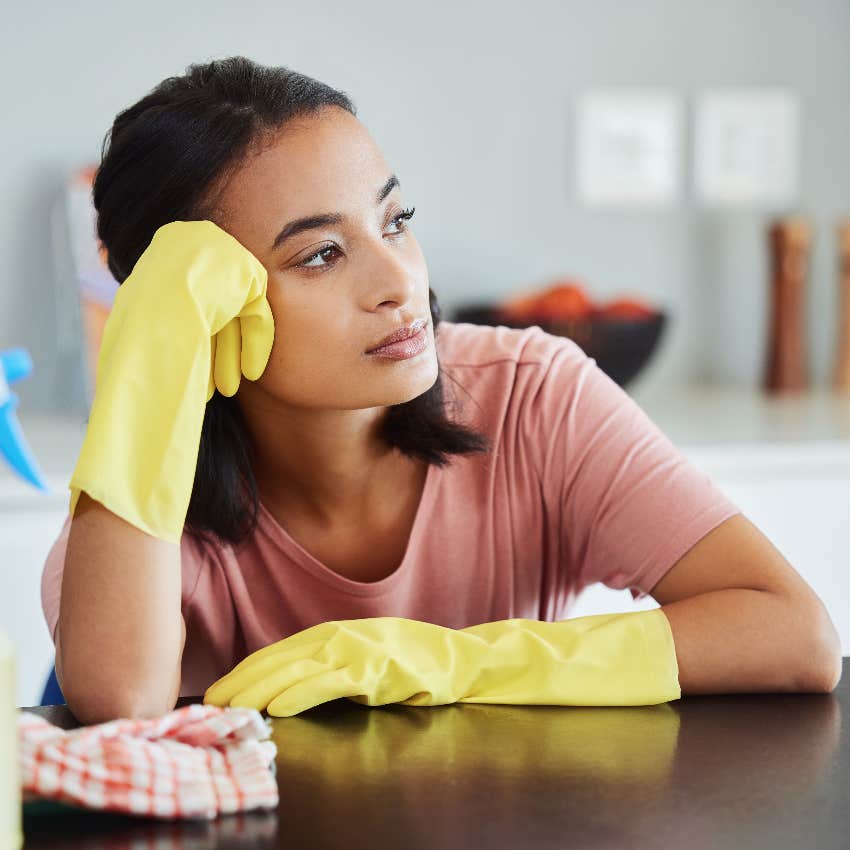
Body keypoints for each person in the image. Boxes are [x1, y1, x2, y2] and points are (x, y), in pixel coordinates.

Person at [41, 57, 841, 724]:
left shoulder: (534, 395)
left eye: (395, 220)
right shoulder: (146, 482)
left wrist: (458, 657)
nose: (400, 283)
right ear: (211, 309)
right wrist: (149, 353)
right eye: (321, 254)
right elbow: (120, 701)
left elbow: (794, 634)